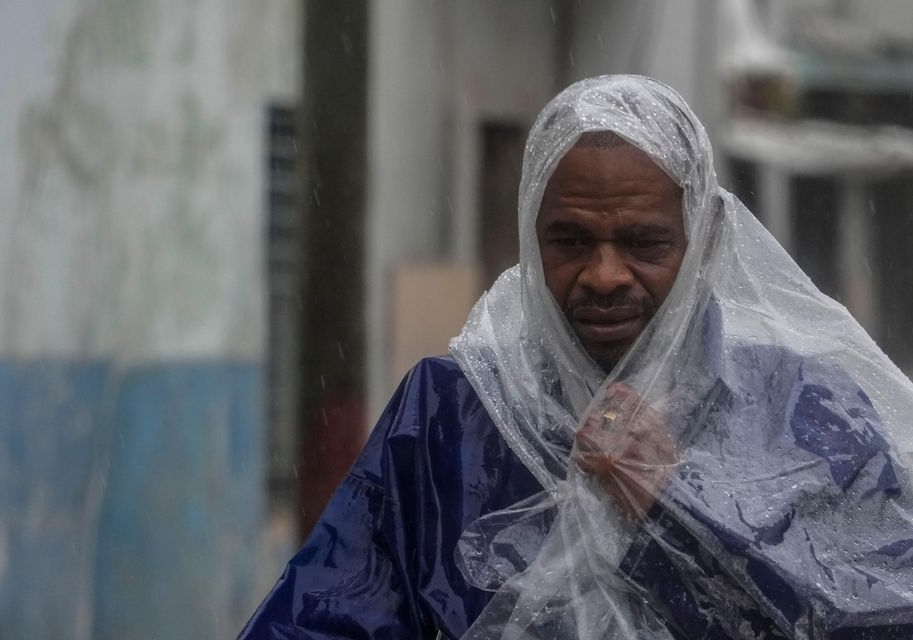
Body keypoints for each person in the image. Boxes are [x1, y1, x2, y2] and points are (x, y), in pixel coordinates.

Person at [238, 76, 913, 639]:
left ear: (702, 242)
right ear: (532, 244)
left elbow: (875, 616)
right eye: (569, 241)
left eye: (643, 242)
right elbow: (324, 614)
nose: (604, 274)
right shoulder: (453, 412)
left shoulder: (806, 414)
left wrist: (677, 515)